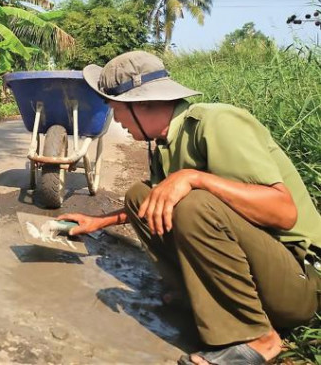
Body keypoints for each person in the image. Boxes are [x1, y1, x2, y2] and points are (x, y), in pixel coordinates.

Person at [58, 50, 321, 365]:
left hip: (300, 281)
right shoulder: (166, 142)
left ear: (140, 104)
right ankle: (199, 297)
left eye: (117, 110)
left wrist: (194, 178)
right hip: (259, 270)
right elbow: (155, 201)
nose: (119, 121)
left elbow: (283, 211)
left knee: (195, 204)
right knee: (141, 195)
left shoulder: (216, 122)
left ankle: (260, 339)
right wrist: (98, 222)